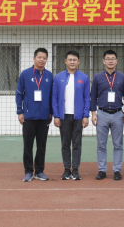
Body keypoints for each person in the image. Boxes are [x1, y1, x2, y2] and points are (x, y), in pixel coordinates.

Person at [15, 48, 53, 182]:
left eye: (44, 58)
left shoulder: (49, 76)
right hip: (29, 117)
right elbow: (19, 94)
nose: (42, 60)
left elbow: (52, 96)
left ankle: (40, 171)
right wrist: (20, 112)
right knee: (28, 145)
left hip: (44, 117)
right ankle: (28, 171)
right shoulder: (25, 74)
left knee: (41, 146)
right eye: (39, 57)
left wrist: (51, 112)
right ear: (34, 58)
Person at [90, 49, 124, 181]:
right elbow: (93, 96)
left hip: (118, 114)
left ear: (116, 61)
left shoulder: (122, 77)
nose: (110, 61)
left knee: (118, 144)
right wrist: (93, 113)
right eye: (108, 59)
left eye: (113, 59)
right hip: (102, 113)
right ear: (103, 61)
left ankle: (117, 170)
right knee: (101, 144)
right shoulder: (98, 77)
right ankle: (102, 170)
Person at [52, 50, 90, 181]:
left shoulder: (84, 78)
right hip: (64, 116)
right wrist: (56, 115)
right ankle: (67, 169)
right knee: (65, 143)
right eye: (70, 60)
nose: (72, 62)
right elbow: (55, 97)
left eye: (74, 60)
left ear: (78, 62)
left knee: (77, 144)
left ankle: (76, 170)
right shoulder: (58, 77)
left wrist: (86, 115)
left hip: (78, 116)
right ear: (65, 61)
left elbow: (87, 98)